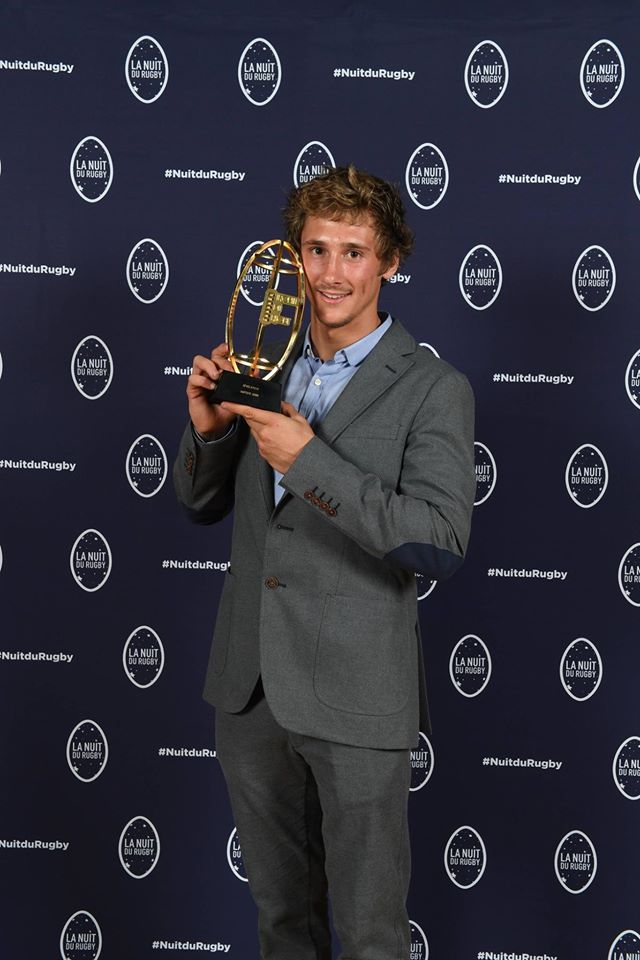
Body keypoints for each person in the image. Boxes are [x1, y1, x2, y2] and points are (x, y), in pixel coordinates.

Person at [173, 164, 475, 960]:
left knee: (371, 936)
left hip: (358, 696)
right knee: (282, 926)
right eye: (316, 250)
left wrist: (308, 461)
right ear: (294, 257)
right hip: (250, 690)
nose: (331, 272)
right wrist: (209, 431)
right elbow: (199, 504)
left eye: (353, 252)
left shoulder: (433, 388)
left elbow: (439, 538)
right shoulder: (260, 366)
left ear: (390, 263)